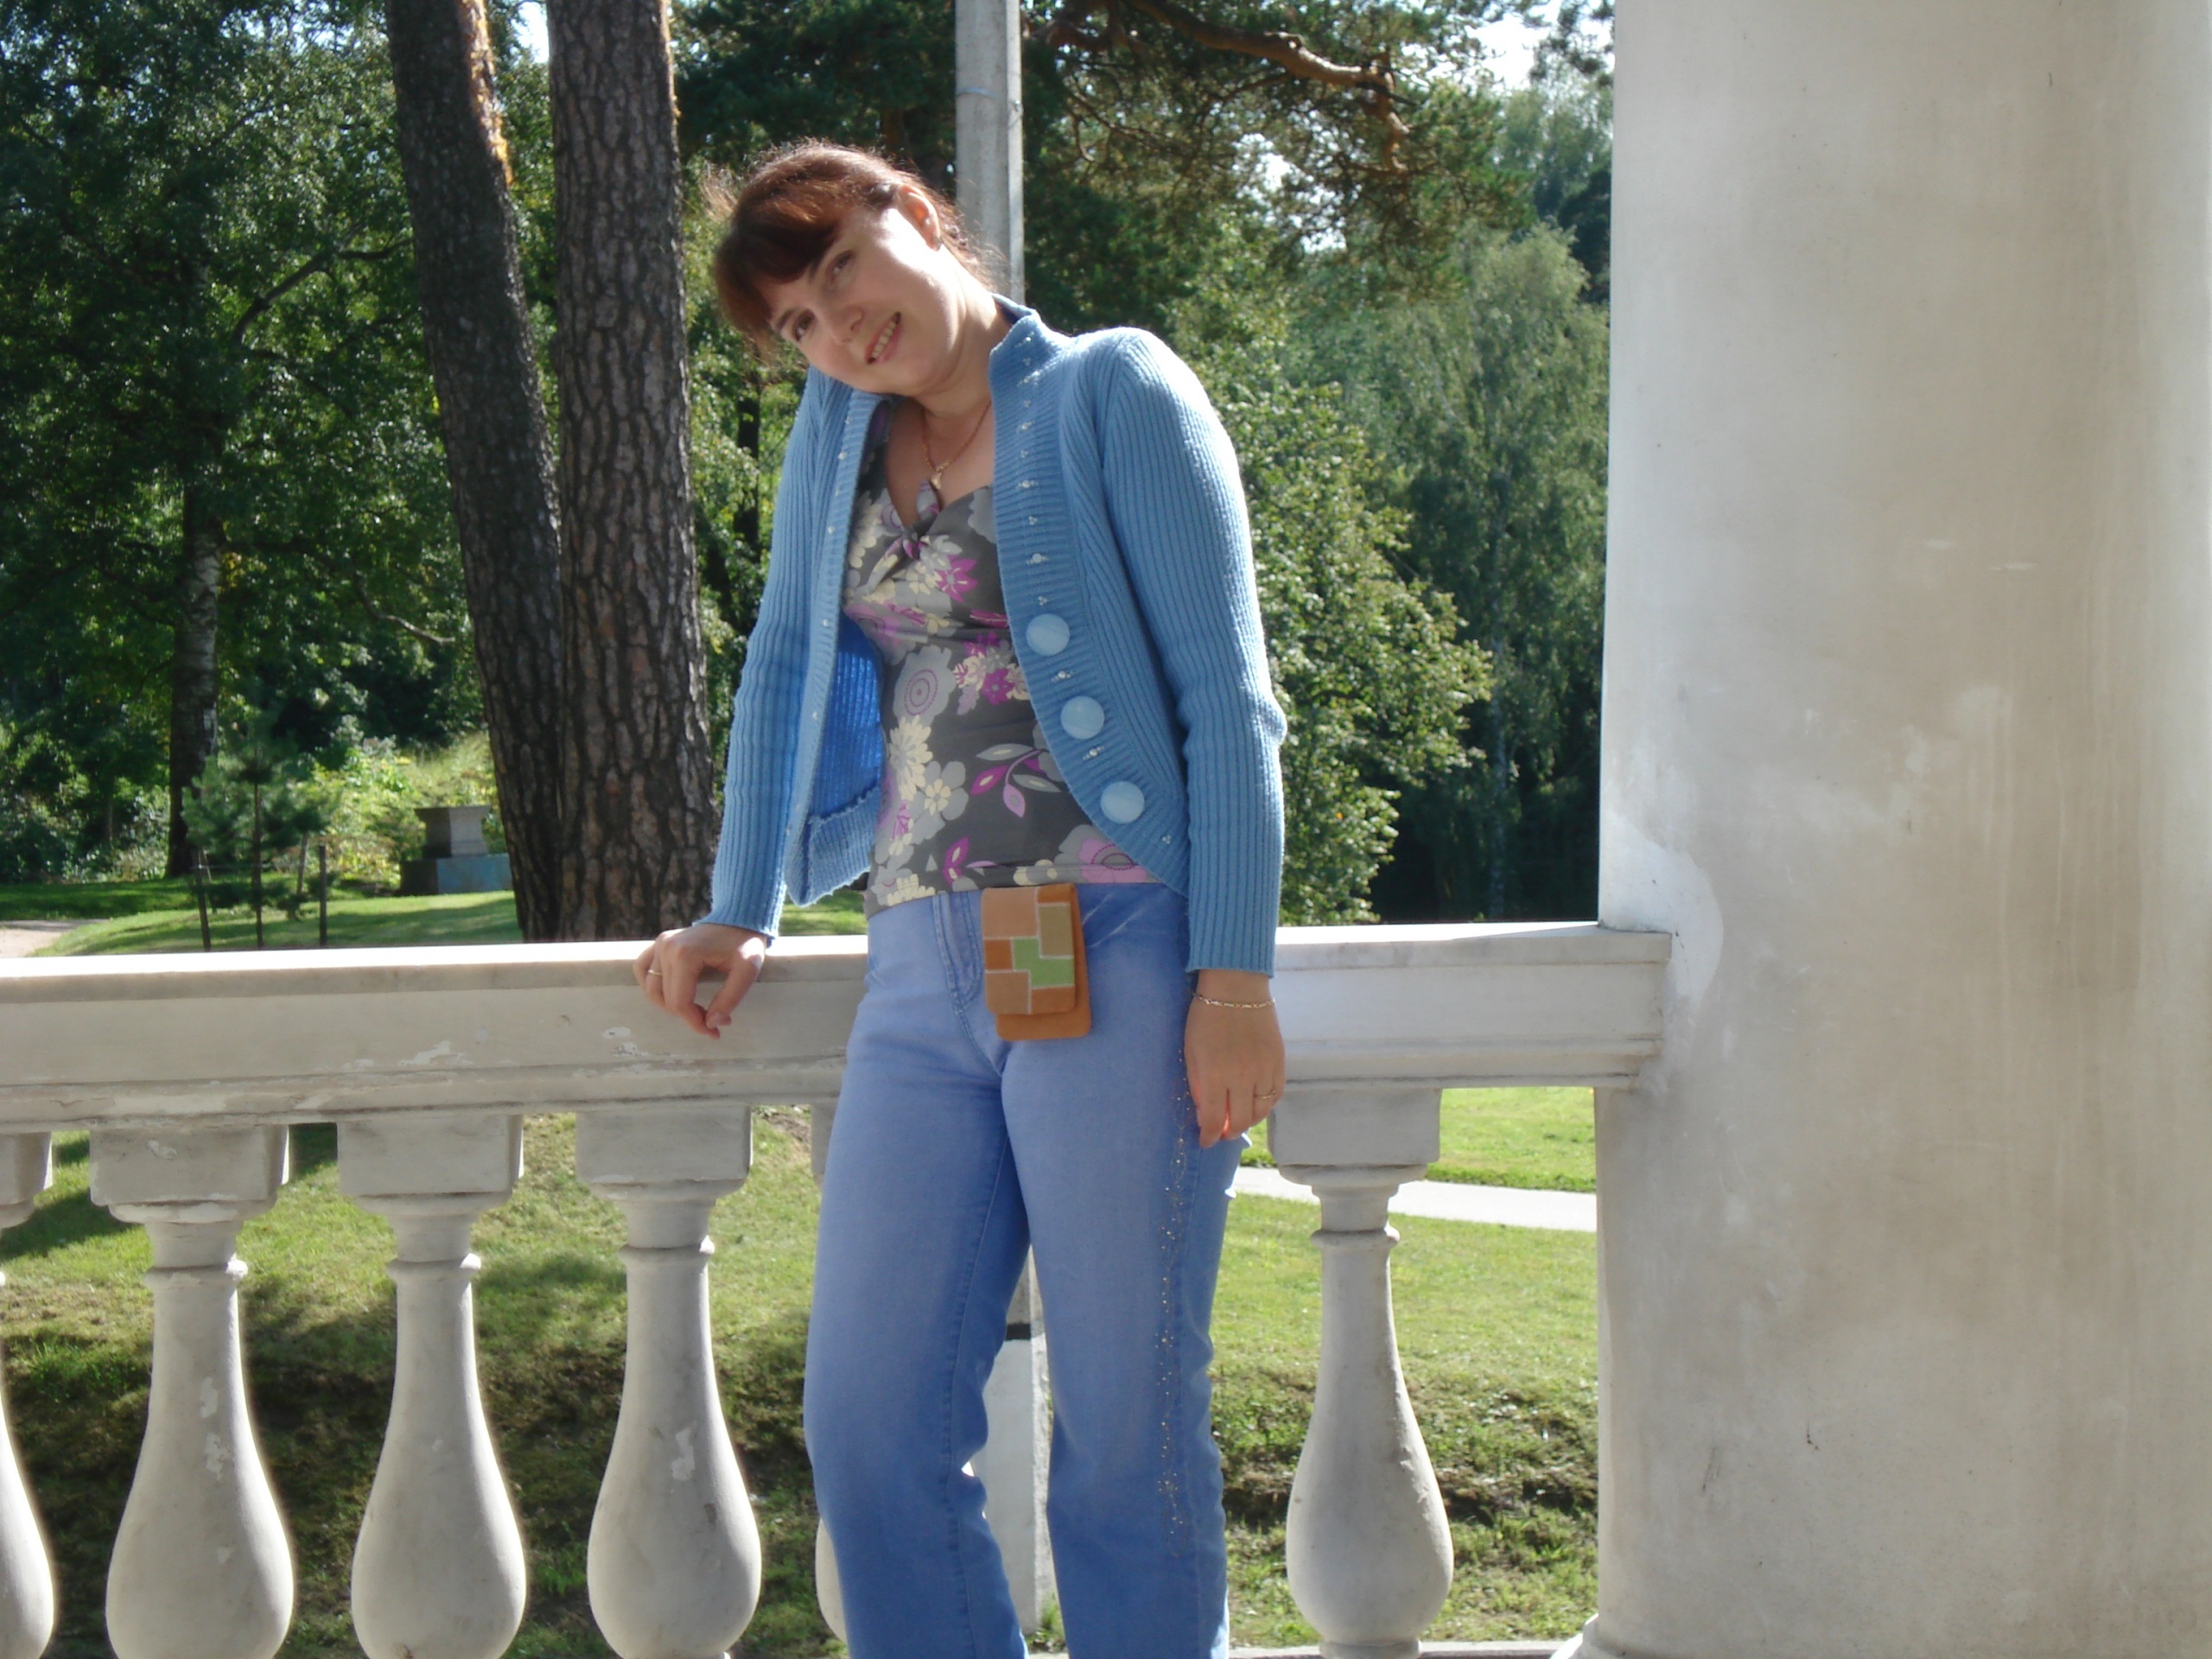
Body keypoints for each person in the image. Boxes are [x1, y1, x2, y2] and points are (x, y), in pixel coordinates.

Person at [632, 141, 1287, 1659]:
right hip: (921, 970)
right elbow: (783, 666)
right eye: (798, 322)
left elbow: (1228, 697)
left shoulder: (1115, 388)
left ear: (916, 218)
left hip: (1117, 947)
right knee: (868, 1424)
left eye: (842, 267)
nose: (838, 327)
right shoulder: (837, 446)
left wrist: (1234, 975)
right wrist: (742, 901)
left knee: (1126, 1426)